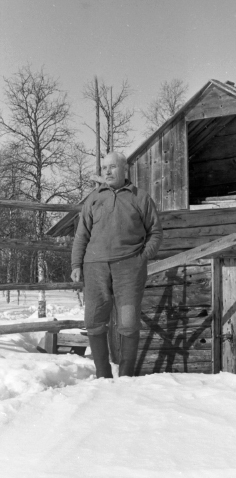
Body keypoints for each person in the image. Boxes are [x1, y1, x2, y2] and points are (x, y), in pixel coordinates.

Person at [71, 152, 163, 378]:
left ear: (125, 169)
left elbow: (156, 232)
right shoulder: (93, 198)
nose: (108, 172)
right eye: (104, 168)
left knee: (129, 322)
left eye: (113, 167)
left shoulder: (140, 197)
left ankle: (126, 377)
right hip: (95, 267)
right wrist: (76, 263)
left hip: (129, 268)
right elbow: (81, 234)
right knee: (93, 320)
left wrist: (142, 257)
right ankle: (103, 375)